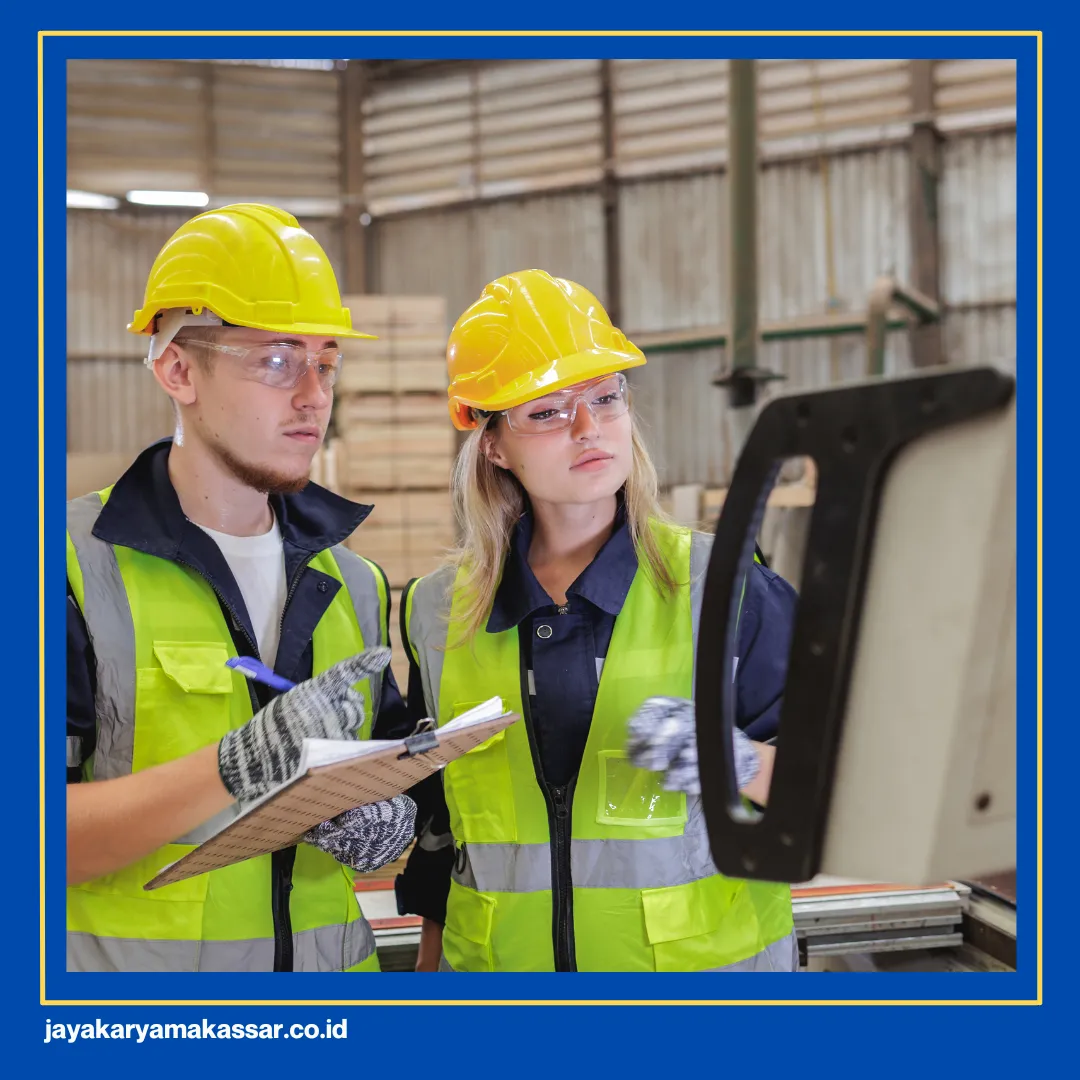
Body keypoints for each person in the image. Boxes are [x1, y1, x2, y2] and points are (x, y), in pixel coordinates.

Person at [393, 269, 800, 972]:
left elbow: (840, 793)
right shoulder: (437, 611)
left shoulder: (726, 587)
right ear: (493, 444)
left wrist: (741, 764)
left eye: (605, 398)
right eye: (548, 412)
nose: (589, 428)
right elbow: (444, 827)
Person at [66, 203, 418, 973]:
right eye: (275, 359)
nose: (314, 395)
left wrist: (388, 817)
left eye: (325, 361)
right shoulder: (65, 571)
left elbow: (384, 773)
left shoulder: (350, 581)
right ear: (177, 369)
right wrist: (231, 769)